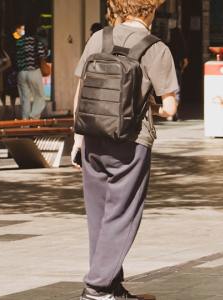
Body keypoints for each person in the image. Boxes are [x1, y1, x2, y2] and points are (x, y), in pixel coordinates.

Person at [72, 0, 177, 299]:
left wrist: (77, 140)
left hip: (92, 137)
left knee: (99, 216)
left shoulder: (99, 38)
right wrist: (150, 101)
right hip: (130, 141)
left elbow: (81, 93)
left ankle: (110, 287)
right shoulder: (155, 48)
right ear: (150, 10)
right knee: (122, 214)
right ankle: (96, 287)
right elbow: (170, 106)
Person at [15, 22, 48, 120]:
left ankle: (25, 123)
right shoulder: (37, 41)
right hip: (34, 71)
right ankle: (33, 117)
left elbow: (16, 57)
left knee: (25, 99)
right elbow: (42, 56)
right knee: (40, 96)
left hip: (21, 73)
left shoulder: (19, 41)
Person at [167, 26, 188, 121]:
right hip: (176, 68)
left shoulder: (166, 43)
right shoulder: (181, 44)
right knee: (176, 90)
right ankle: (173, 113)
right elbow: (186, 61)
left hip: (166, 69)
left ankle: (169, 113)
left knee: (168, 90)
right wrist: (182, 68)